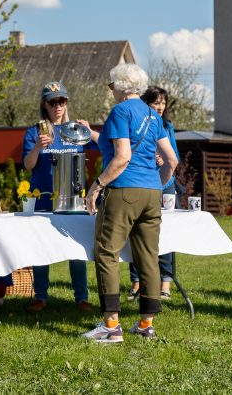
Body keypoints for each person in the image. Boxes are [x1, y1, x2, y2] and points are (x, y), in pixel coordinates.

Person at [83, 64, 178, 342]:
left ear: (122, 86)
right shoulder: (152, 114)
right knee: (148, 255)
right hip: (152, 194)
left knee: (107, 252)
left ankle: (111, 326)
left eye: (112, 86)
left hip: (123, 190)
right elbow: (172, 160)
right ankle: (146, 323)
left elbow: (122, 157)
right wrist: (156, 184)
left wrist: (96, 186)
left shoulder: (120, 111)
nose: (112, 91)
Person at [22, 80, 99, 313]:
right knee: (41, 247)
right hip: (44, 198)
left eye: (62, 101)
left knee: (76, 249)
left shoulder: (77, 130)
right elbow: (27, 165)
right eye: (52, 102)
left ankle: (81, 298)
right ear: (44, 105)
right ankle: (41, 296)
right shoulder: (35, 131)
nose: (58, 106)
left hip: (73, 199)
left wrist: (92, 132)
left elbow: (108, 147)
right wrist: (37, 147)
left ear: (66, 103)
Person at [127, 86, 180, 301]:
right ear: (145, 103)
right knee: (136, 232)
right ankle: (136, 282)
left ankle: (165, 283)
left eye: (163, 103)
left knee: (165, 234)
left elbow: (174, 155)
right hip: (142, 183)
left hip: (166, 186)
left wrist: (164, 160)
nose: (159, 107)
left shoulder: (167, 126)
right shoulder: (137, 123)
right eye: (155, 102)